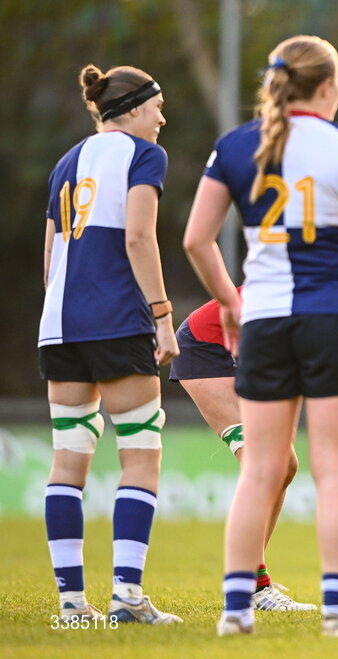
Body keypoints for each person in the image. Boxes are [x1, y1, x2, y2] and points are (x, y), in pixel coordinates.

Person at [182, 35, 338, 637]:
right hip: (331, 318)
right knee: (334, 471)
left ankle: (236, 613)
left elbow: (195, 240)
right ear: (332, 86)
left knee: (259, 470)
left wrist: (231, 305)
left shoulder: (235, 145)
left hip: (264, 323)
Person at [170, 204, 338, 611]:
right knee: (268, 464)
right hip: (207, 347)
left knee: (284, 465)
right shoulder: (337, 275)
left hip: (247, 352)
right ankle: (250, 588)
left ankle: (249, 583)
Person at [39, 63, 181, 624]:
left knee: (67, 461)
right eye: (158, 106)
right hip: (118, 320)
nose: (163, 117)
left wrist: (58, 310)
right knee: (141, 453)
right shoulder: (144, 155)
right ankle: (126, 596)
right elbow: (139, 236)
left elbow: (51, 252)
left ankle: (72, 604)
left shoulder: (67, 160)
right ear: (134, 109)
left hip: (60, 324)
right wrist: (164, 315)